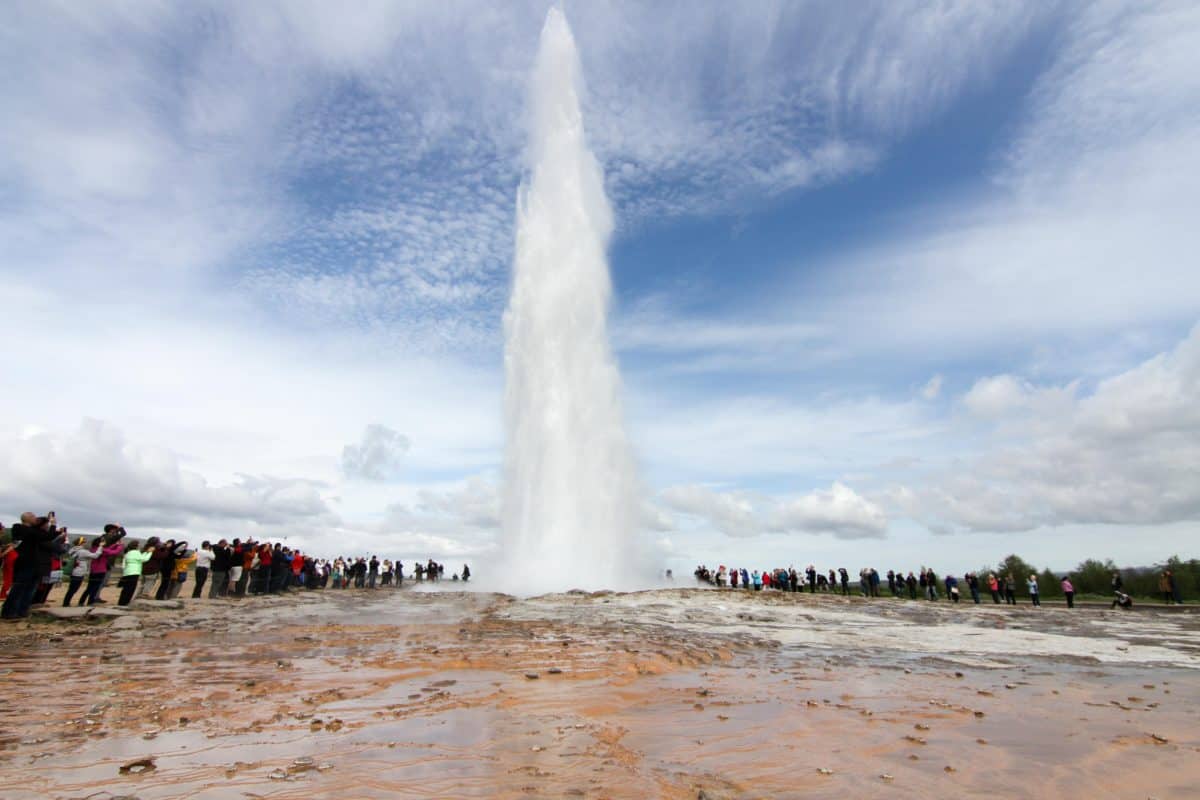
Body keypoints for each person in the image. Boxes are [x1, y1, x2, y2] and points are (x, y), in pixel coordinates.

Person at [117, 541, 153, 606]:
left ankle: (121, 602)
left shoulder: (128, 552)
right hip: (134, 571)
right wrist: (150, 552)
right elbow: (144, 559)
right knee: (130, 589)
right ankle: (125, 603)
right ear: (136, 546)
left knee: (125, 589)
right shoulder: (136, 552)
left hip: (127, 572)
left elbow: (139, 558)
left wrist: (146, 552)